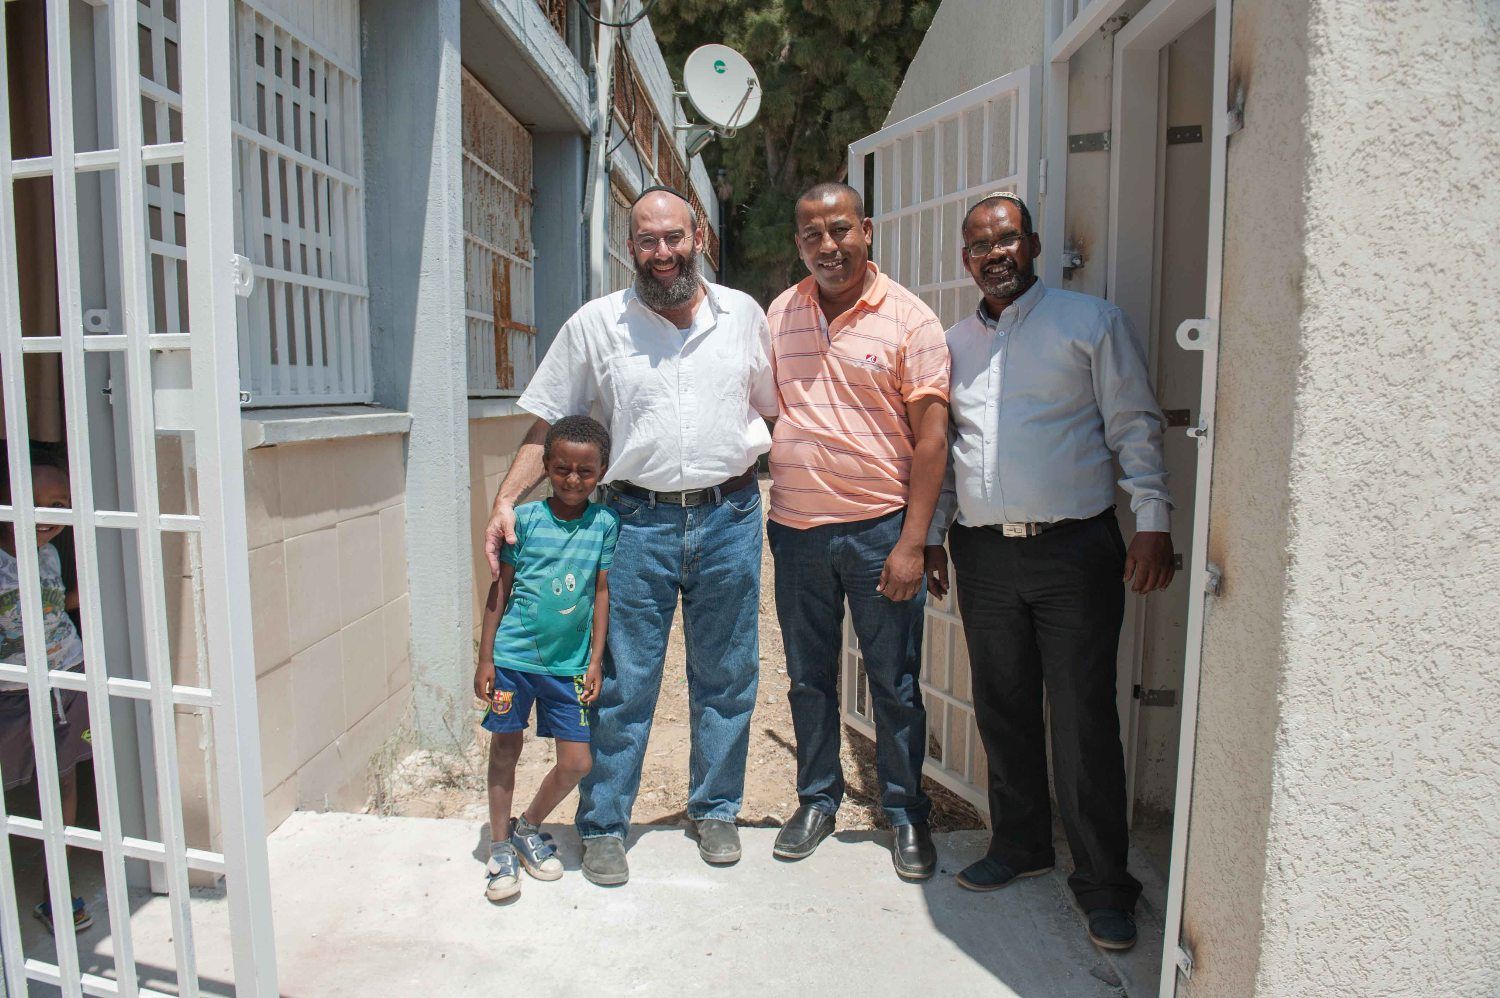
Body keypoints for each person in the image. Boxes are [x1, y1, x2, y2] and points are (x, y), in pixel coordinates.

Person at [483, 187, 775, 886]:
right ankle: (605, 823)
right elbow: (548, 421)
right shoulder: (597, 325)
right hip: (635, 523)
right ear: (630, 246)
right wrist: (504, 499)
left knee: (727, 673)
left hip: (730, 517)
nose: (662, 252)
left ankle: (716, 810)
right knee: (622, 681)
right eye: (647, 240)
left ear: (698, 237)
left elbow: (771, 409)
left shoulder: (744, 315)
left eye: (674, 237)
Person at [925, 192, 1175, 951]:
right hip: (984, 553)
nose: (993, 254)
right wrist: (931, 536)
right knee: (1001, 705)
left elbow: (1134, 424)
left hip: (1075, 551)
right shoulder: (952, 344)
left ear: (1031, 245)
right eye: (979, 245)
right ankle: (1021, 844)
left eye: (1006, 240)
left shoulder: (1089, 323)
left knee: (1082, 716)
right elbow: (946, 456)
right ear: (965, 259)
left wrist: (1153, 521)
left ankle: (1104, 884)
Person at [764, 182, 950, 879]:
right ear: (799, 243)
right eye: (812, 234)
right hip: (796, 531)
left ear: (866, 230)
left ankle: (905, 813)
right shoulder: (781, 313)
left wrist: (913, 542)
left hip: (879, 531)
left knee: (893, 682)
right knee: (808, 679)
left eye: (840, 229)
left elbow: (932, 442)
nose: (828, 246)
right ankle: (817, 800)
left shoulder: (910, 320)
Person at [473, 416, 618, 902]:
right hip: (513, 661)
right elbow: (501, 589)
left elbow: (601, 593)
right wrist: (486, 658)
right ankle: (499, 848)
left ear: (601, 471)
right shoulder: (525, 520)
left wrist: (595, 660)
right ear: (547, 466)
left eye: (586, 471)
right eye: (562, 469)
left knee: (577, 762)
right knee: (505, 751)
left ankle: (527, 826)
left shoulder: (605, 524)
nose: (573, 479)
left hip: (569, 668)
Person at [0, 441, 93, 933]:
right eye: (33, 502)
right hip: (11, 690)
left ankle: (54, 891)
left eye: (59, 505)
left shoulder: (50, 554)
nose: (46, 515)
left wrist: (99, 588)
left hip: (64, 677)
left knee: (62, 781)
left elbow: (52, 606)